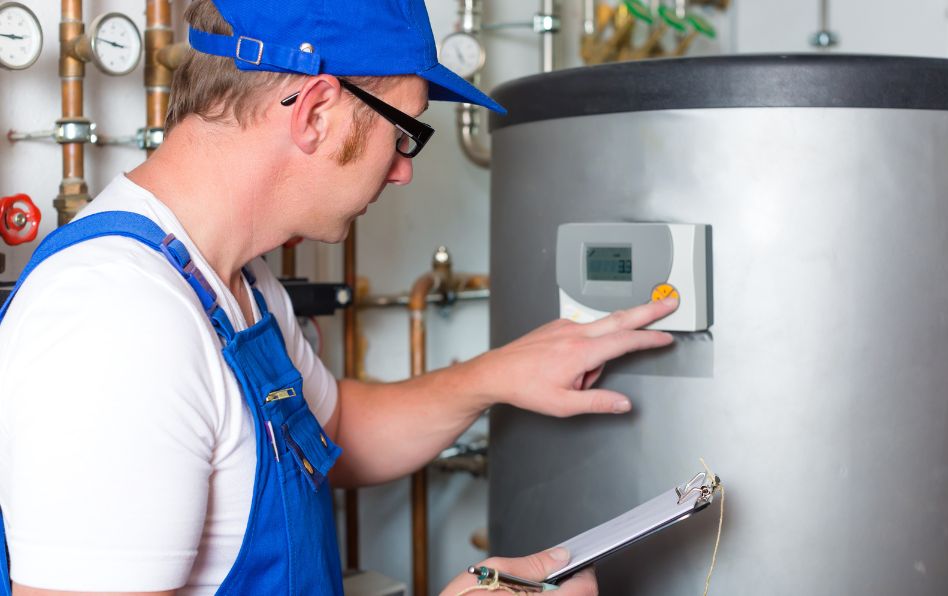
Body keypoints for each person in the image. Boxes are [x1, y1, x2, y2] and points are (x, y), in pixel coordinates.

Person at [0, 1, 678, 595]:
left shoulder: (238, 280)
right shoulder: (118, 322)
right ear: (317, 113)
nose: (404, 169)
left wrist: (495, 375)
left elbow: (333, 431)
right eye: (403, 131)